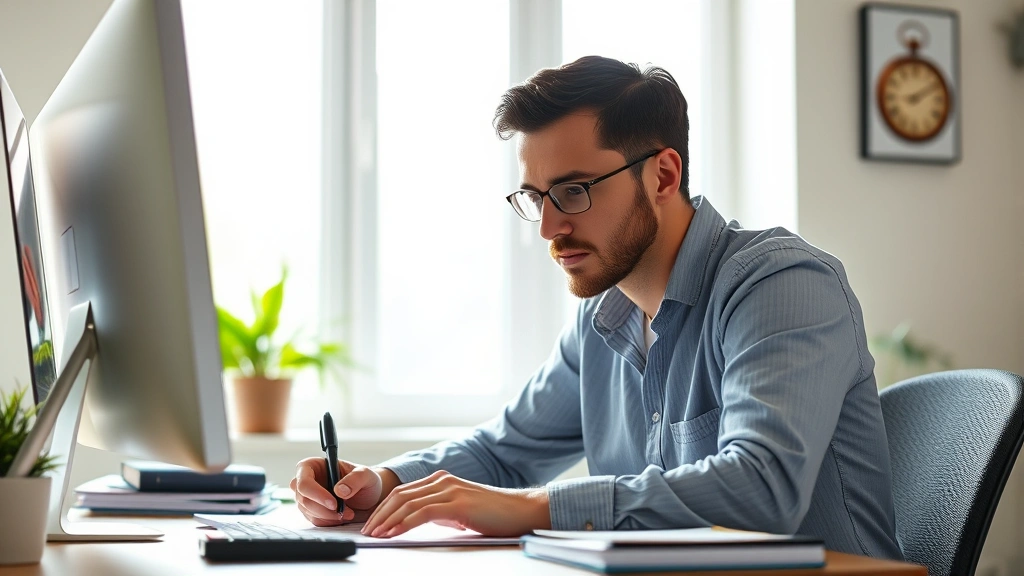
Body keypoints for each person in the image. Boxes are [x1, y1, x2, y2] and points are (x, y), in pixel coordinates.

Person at [290, 55, 903, 560]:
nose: (549, 228)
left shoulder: (782, 285)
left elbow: (762, 487)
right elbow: (502, 452)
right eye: (536, 198)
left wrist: (538, 508)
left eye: (574, 191)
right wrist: (380, 483)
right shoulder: (604, 317)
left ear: (663, 176)